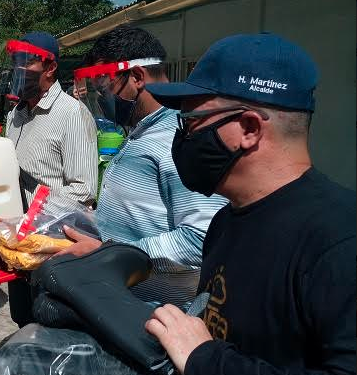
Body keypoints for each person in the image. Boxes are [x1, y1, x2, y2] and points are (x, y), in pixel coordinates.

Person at [138, 33, 356, 375]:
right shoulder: (226, 221)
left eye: (191, 121)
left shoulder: (340, 241)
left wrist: (205, 361)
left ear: (249, 128)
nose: (182, 137)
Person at [56, 25, 228, 307]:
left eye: (105, 86)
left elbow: (202, 238)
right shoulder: (138, 131)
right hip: (125, 303)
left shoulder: (176, 141)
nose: (101, 98)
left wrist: (108, 253)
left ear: (136, 77)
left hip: (157, 318)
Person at [2, 31, 97, 327]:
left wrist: (35, 221)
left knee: (49, 324)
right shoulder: (14, 115)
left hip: (51, 246)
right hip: (18, 244)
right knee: (22, 316)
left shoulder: (72, 114)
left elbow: (83, 191)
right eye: (15, 61)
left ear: (50, 67)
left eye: (26, 62)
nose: (19, 69)